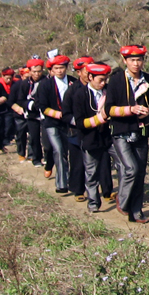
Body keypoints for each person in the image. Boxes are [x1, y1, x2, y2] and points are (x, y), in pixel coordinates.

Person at [107, 44, 149, 224]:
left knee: (140, 173)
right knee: (131, 168)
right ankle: (123, 202)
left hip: (142, 131)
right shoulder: (116, 80)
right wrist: (130, 110)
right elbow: (109, 109)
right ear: (125, 61)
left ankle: (136, 211)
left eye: (139, 59)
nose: (136, 63)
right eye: (132, 60)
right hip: (121, 132)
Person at [63, 62, 113, 213]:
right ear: (90, 77)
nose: (103, 83)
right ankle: (93, 203)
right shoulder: (79, 94)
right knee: (91, 173)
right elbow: (78, 122)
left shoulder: (109, 92)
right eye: (100, 80)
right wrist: (100, 118)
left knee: (123, 167)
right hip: (89, 139)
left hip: (109, 138)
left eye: (105, 80)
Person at [39, 54, 80, 195]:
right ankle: (61, 183)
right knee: (59, 150)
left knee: (71, 152)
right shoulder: (45, 84)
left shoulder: (74, 82)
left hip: (70, 124)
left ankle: (74, 181)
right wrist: (57, 114)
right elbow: (42, 106)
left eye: (62, 67)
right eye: (56, 68)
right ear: (52, 70)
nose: (59, 71)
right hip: (52, 123)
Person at [62, 56, 96, 203]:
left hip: (94, 129)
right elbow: (66, 114)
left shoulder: (97, 86)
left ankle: (104, 190)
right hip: (75, 131)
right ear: (79, 73)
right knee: (77, 162)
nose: (89, 74)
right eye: (85, 71)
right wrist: (79, 123)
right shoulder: (72, 90)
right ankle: (78, 189)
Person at [11, 58, 46, 167]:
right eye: (34, 71)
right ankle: (36, 158)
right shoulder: (25, 84)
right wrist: (30, 105)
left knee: (46, 139)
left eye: (39, 71)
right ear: (30, 71)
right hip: (31, 114)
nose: (36, 74)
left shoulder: (47, 81)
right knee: (34, 137)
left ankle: (48, 157)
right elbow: (20, 99)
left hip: (45, 114)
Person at [9, 67, 31, 162]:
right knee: (21, 135)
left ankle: (32, 154)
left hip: (31, 114)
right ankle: (21, 154)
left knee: (33, 135)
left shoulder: (33, 84)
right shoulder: (15, 86)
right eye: (26, 77)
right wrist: (17, 108)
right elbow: (10, 101)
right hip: (20, 115)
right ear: (21, 76)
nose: (28, 79)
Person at [0, 68, 18, 145]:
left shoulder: (15, 83)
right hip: (0, 107)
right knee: (0, 124)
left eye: (10, 78)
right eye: (7, 78)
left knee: (9, 123)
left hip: (10, 106)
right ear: (2, 76)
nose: (8, 80)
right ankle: (0, 139)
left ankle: (7, 138)